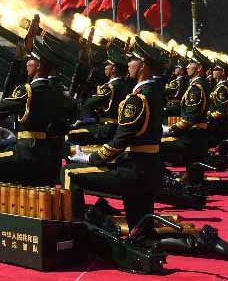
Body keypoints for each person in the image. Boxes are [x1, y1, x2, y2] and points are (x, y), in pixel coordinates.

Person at [61, 37, 164, 231]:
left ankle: (72, 232)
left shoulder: (138, 98)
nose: (129, 64)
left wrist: (92, 158)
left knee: (69, 172)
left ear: (142, 65)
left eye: (132, 60)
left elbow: (120, 142)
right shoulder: (155, 90)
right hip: (149, 168)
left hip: (134, 170)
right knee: (141, 232)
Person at [0, 40, 67, 186]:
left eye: (30, 61)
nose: (27, 64)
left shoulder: (27, 91)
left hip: (26, 152)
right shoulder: (55, 92)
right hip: (45, 153)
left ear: (38, 65)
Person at [65, 45, 132, 147]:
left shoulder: (110, 87)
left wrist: (71, 102)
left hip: (106, 130)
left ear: (113, 68)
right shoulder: (125, 85)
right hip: (117, 127)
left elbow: (89, 104)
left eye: (107, 65)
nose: (105, 67)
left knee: (72, 133)